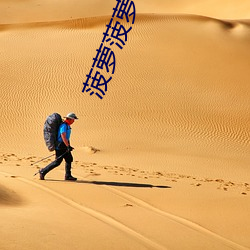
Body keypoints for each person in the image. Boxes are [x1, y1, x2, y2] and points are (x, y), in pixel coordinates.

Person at [39, 112, 78, 181]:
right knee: (57, 162)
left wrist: (68, 145)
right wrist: (67, 146)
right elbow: (63, 135)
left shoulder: (67, 125)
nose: (74, 121)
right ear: (70, 119)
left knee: (69, 159)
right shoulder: (64, 126)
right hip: (61, 145)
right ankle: (43, 172)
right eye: (73, 119)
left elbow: (66, 137)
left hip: (64, 145)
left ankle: (68, 175)